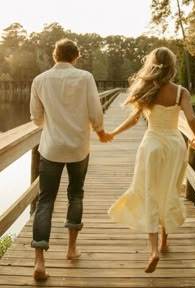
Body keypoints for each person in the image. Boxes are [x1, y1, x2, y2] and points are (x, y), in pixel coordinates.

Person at [107, 47, 195, 273]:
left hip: (152, 146)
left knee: (149, 191)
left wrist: (113, 133)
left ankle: (153, 250)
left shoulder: (147, 89)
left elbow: (133, 119)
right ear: (172, 66)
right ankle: (164, 241)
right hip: (175, 145)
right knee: (169, 190)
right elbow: (191, 118)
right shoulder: (180, 92)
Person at [30, 38, 111, 281]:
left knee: (45, 201)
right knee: (75, 194)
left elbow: (36, 117)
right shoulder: (85, 77)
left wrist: (52, 127)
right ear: (75, 56)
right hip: (78, 148)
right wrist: (100, 131)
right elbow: (96, 113)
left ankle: (39, 262)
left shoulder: (39, 80)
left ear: (55, 56)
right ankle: (71, 249)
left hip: (51, 148)